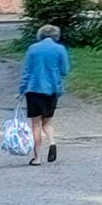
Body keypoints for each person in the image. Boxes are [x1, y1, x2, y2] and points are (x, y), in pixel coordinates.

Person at [19, 22, 71, 164]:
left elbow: (27, 71)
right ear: (56, 35)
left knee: (35, 124)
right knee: (47, 121)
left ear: (40, 35)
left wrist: (22, 89)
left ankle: (37, 157)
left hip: (34, 89)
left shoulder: (33, 49)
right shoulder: (60, 49)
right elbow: (65, 70)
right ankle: (52, 142)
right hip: (52, 89)